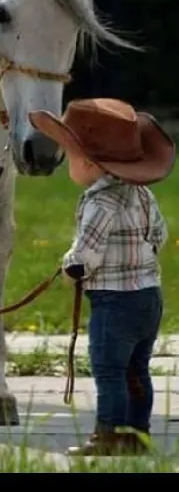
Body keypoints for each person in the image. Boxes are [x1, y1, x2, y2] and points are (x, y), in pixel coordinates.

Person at [29, 98, 176, 457]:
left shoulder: (99, 203)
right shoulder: (142, 195)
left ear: (89, 163)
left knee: (109, 370)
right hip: (148, 297)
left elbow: (86, 256)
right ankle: (136, 435)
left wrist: (69, 268)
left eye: (69, 155)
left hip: (114, 302)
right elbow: (160, 235)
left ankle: (107, 434)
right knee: (136, 369)